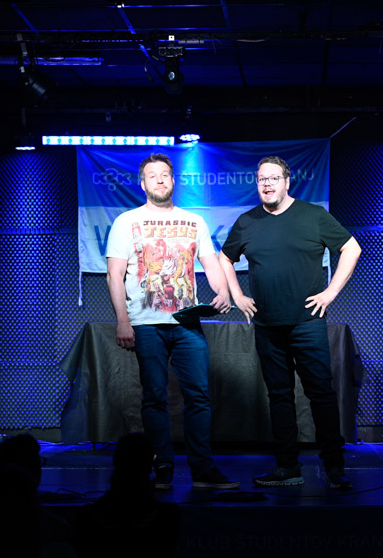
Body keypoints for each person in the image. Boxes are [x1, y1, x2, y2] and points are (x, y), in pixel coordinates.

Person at [218, 155, 362, 489]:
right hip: (267, 325)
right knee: (279, 397)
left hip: (307, 322)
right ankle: (287, 467)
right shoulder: (247, 222)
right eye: (261, 179)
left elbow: (351, 248)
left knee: (321, 394)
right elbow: (225, 258)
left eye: (273, 178)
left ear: (286, 181)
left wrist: (330, 293)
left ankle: (334, 466)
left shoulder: (313, 216)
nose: (266, 184)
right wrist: (238, 296)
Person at [106, 153, 239, 490]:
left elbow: (211, 262)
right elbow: (114, 275)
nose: (160, 180)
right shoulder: (126, 222)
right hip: (145, 323)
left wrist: (222, 291)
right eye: (153, 176)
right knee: (154, 397)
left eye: (165, 174)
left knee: (199, 396)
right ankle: (162, 466)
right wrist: (123, 321)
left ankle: (203, 469)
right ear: (143, 183)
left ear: (173, 180)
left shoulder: (194, 221)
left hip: (186, 323)